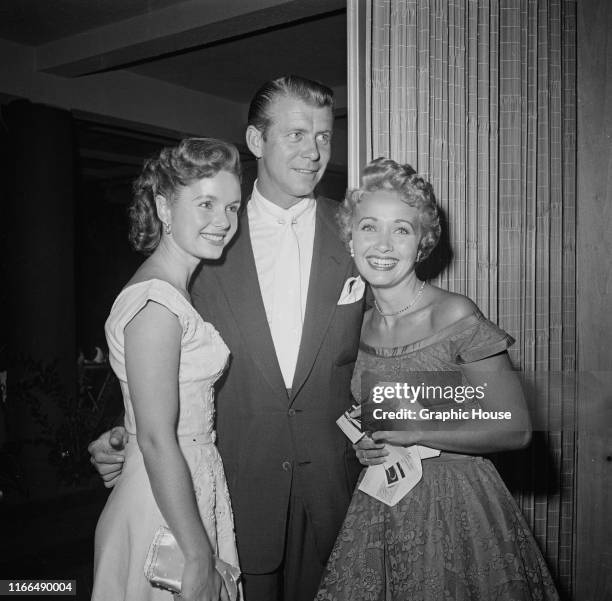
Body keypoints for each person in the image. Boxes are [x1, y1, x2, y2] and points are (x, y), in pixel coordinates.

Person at [89, 76, 364, 601]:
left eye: (325, 136)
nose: (314, 153)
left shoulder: (356, 230)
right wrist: (128, 431)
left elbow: (382, 348)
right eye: (297, 134)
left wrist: (396, 419)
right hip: (231, 490)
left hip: (334, 485)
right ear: (257, 142)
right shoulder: (206, 244)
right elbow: (160, 362)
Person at [316, 158, 560, 601]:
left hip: (457, 505)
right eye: (369, 227)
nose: (383, 244)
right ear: (350, 238)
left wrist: (414, 432)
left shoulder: (454, 313)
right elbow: (377, 414)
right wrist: (367, 442)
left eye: (401, 230)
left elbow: (517, 428)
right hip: (382, 504)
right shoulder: (358, 324)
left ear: (422, 243)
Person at [91, 138, 242, 601]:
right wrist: (197, 555)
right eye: (206, 204)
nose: (223, 221)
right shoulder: (156, 301)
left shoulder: (172, 290)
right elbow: (157, 437)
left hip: (185, 483)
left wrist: (121, 435)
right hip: (166, 499)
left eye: (232, 207)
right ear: (163, 206)